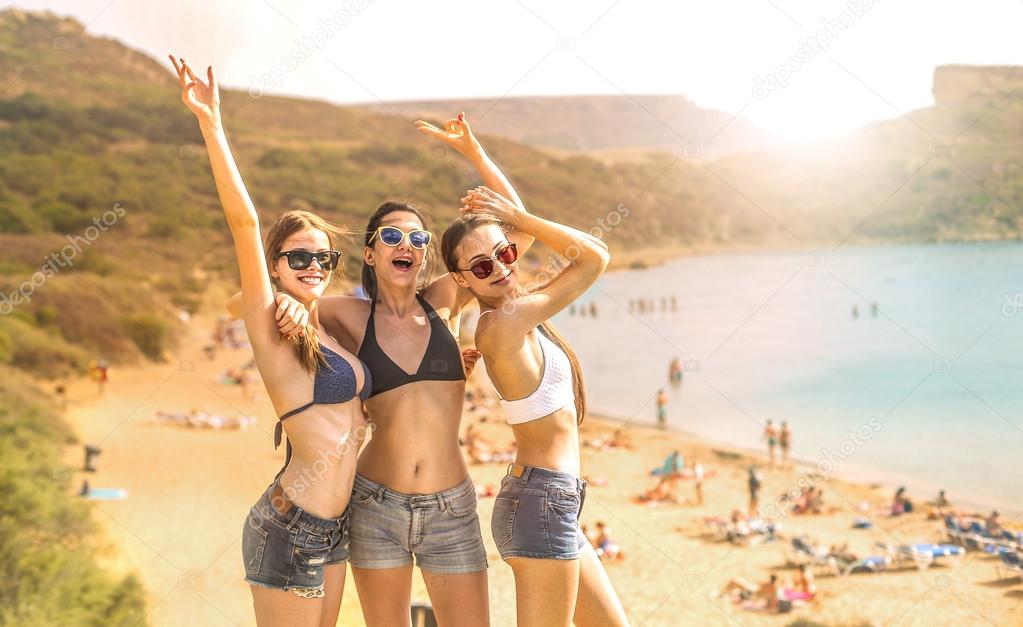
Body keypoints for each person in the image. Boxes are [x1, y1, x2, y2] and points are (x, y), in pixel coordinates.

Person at [265, 111, 527, 626]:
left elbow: (515, 229)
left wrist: (474, 153)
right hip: (375, 505)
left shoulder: (446, 300)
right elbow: (273, 297)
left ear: (428, 256)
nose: (407, 245)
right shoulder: (346, 313)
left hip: (451, 506)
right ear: (370, 252)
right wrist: (287, 300)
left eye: (419, 239)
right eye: (392, 237)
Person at [172, 56, 369, 626]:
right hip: (291, 523)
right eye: (297, 257)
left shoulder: (325, 325)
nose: (311, 265)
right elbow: (243, 223)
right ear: (275, 266)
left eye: (322, 256)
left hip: (333, 524)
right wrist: (212, 124)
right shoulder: (270, 323)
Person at [440, 187, 628, 626]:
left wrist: (475, 153)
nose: (501, 267)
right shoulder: (505, 323)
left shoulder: (516, 313)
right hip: (542, 501)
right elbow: (594, 256)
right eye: (483, 266)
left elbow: (503, 208)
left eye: (505, 253)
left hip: (552, 501)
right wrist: (517, 216)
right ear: (463, 280)